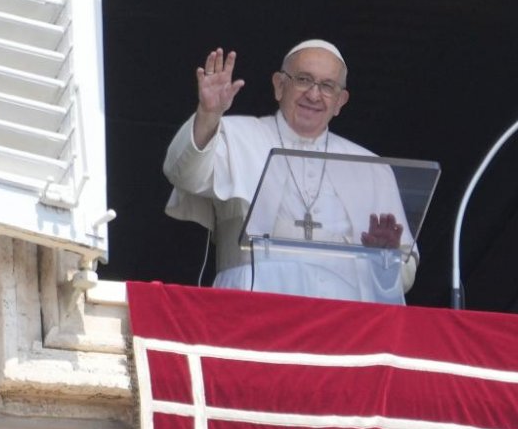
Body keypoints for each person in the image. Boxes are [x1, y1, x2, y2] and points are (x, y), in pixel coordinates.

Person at [163, 39, 417, 303]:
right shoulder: (233, 135)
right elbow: (183, 174)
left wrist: (384, 256)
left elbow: (404, 277)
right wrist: (207, 114)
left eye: (327, 86)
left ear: (341, 101)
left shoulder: (371, 168)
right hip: (249, 308)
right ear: (279, 85)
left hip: (344, 320)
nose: (314, 95)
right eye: (304, 79)